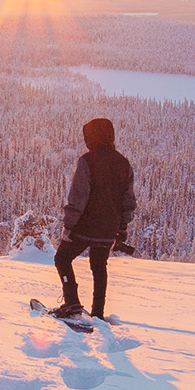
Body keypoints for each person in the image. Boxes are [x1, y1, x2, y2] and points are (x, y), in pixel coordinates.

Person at [54, 117, 136, 320]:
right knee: (99, 267)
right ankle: (98, 314)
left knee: (62, 258)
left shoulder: (87, 161)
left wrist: (69, 226)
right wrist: (122, 228)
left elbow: (78, 197)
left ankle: (71, 302)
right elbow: (128, 200)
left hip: (85, 226)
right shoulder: (123, 163)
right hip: (109, 229)